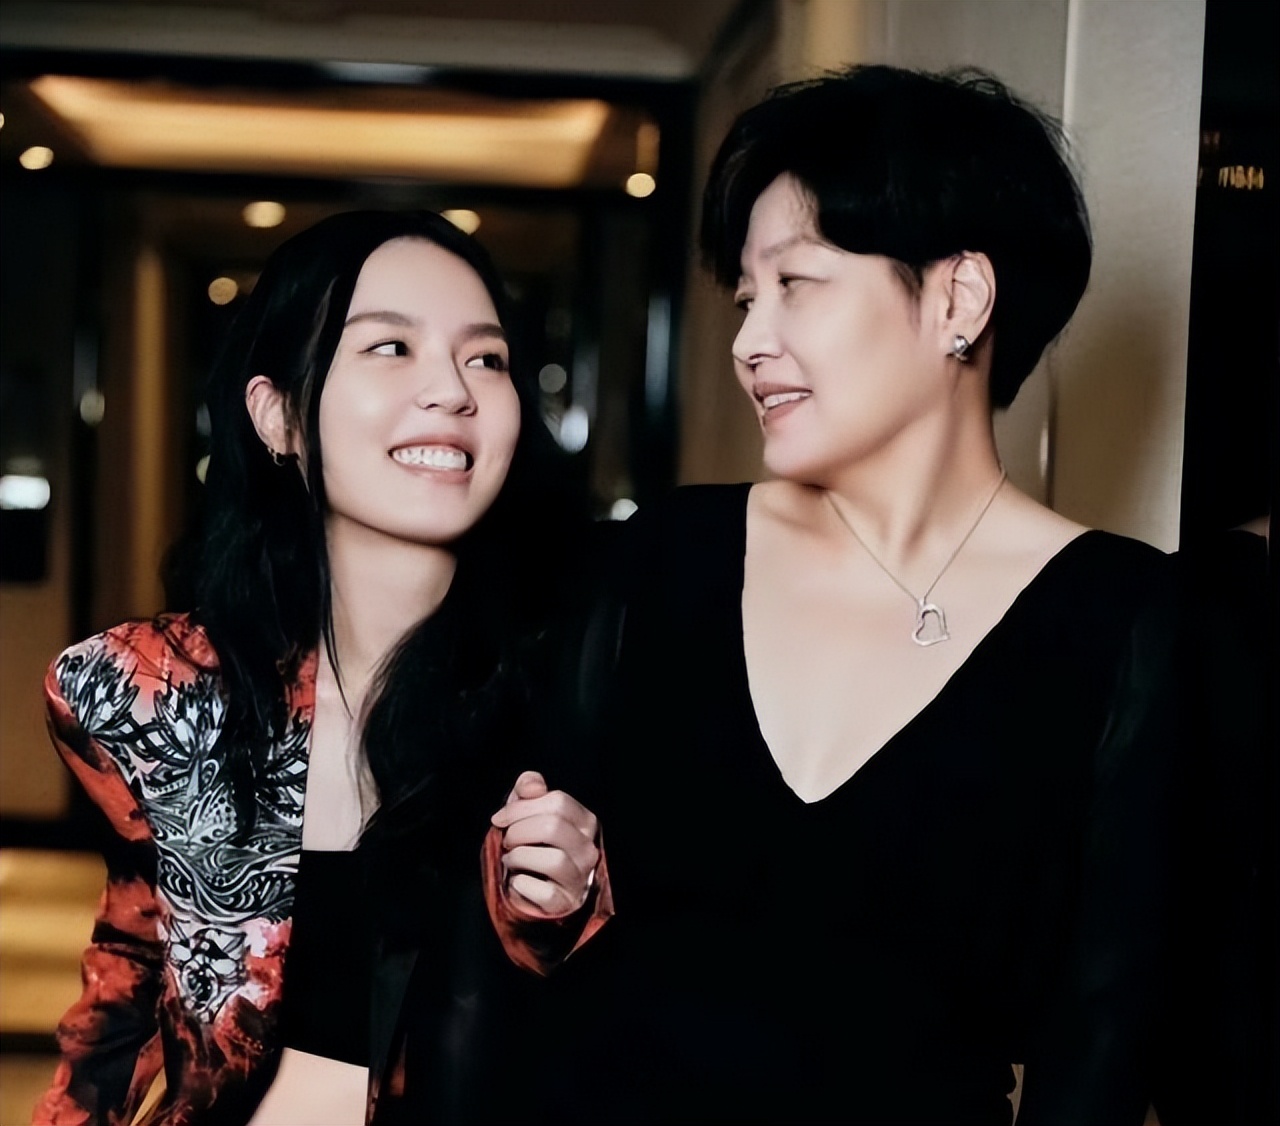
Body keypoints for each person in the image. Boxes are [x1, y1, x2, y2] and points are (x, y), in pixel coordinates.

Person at [495, 66, 1181, 1124]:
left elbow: (1102, 1042)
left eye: (796, 284)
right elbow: (532, 913)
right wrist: (540, 886)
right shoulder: (661, 560)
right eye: (745, 297)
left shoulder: (1127, 622)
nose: (746, 342)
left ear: (957, 299)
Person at [34, 210, 607, 1126]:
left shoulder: (580, 690)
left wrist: (569, 911)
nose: (452, 391)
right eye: (391, 347)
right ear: (279, 416)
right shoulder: (160, 696)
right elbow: (128, 978)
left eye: (486, 358)